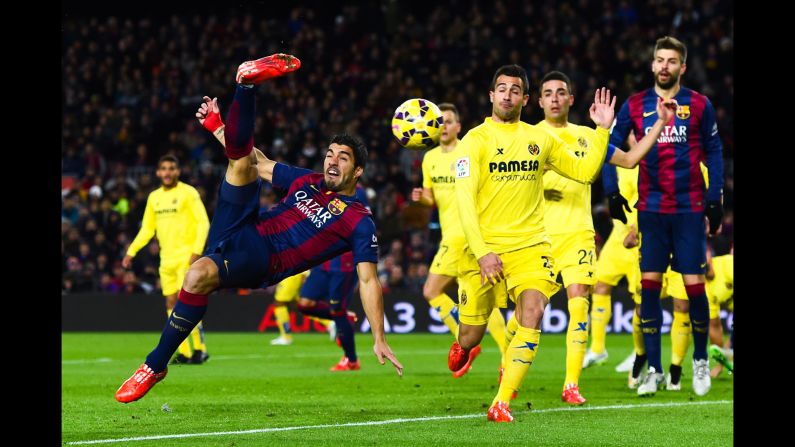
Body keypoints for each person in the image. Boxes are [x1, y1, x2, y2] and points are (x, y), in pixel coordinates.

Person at [115, 54, 402, 404]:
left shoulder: (359, 219)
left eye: (343, 157)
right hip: (244, 228)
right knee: (238, 171)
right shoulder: (308, 180)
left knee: (195, 275)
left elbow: (369, 280)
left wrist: (379, 336)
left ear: (357, 172)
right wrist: (218, 129)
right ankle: (246, 82)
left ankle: (153, 365)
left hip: (266, 258)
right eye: (330, 153)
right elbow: (258, 162)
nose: (332, 160)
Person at [451, 63, 616, 423]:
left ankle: (501, 402)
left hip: (532, 246)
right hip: (485, 248)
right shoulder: (474, 141)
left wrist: (602, 129)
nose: (508, 95)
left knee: (533, 311)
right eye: (502, 88)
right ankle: (463, 344)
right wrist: (482, 253)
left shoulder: (541, 140)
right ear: (491, 95)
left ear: (526, 99)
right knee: (470, 335)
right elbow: (463, 202)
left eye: (515, 90)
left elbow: (586, 172)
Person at [534, 71, 676, 404]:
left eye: (561, 93)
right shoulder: (527, 137)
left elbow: (628, 159)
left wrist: (660, 125)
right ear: (539, 101)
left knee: (580, 301)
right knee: (531, 310)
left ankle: (572, 383)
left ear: (571, 99)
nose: (555, 98)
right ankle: (509, 363)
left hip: (578, 235)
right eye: (548, 93)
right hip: (538, 236)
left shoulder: (588, 136)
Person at [601, 36, 724, 397]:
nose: (665, 66)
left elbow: (715, 152)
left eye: (672, 61)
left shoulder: (699, 105)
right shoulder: (636, 104)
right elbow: (609, 144)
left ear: (682, 67)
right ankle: (653, 369)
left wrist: (715, 198)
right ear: (653, 65)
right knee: (649, 289)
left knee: (694, 288)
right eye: (660, 60)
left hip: (687, 210)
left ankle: (700, 359)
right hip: (651, 211)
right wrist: (611, 191)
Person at [410, 103, 507, 379]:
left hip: (467, 235)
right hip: (449, 234)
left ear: (458, 127)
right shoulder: (429, 158)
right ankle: (493, 353)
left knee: (431, 291)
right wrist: (422, 197)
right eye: (439, 122)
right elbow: (433, 198)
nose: (443, 126)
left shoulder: (470, 150)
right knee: (484, 302)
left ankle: (463, 339)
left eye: (449, 121)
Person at [122, 155, 211, 365]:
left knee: (186, 302)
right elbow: (147, 228)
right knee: (171, 302)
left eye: (172, 168)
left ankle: (200, 349)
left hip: (186, 256)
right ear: (158, 173)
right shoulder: (154, 197)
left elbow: (203, 223)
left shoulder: (189, 193)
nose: (168, 172)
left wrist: (196, 251)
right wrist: (131, 251)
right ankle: (185, 351)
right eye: (164, 169)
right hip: (167, 259)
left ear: (178, 171)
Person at [296, 185, 370, 371]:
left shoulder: (357, 192)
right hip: (323, 260)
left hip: (343, 261)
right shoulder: (320, 187)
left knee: (337, 310)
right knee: (305, 304)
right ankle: (343, 317)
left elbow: (364, 224)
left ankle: (351, 360)